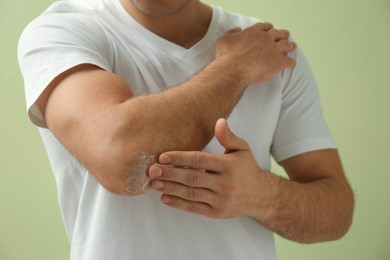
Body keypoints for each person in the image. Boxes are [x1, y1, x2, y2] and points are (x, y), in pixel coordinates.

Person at [18, 0, 354, 259]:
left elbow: (336, 213)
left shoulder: (271, 48)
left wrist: (260, 196)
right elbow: (123, 159)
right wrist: (236, 67)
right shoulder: (62, 31)